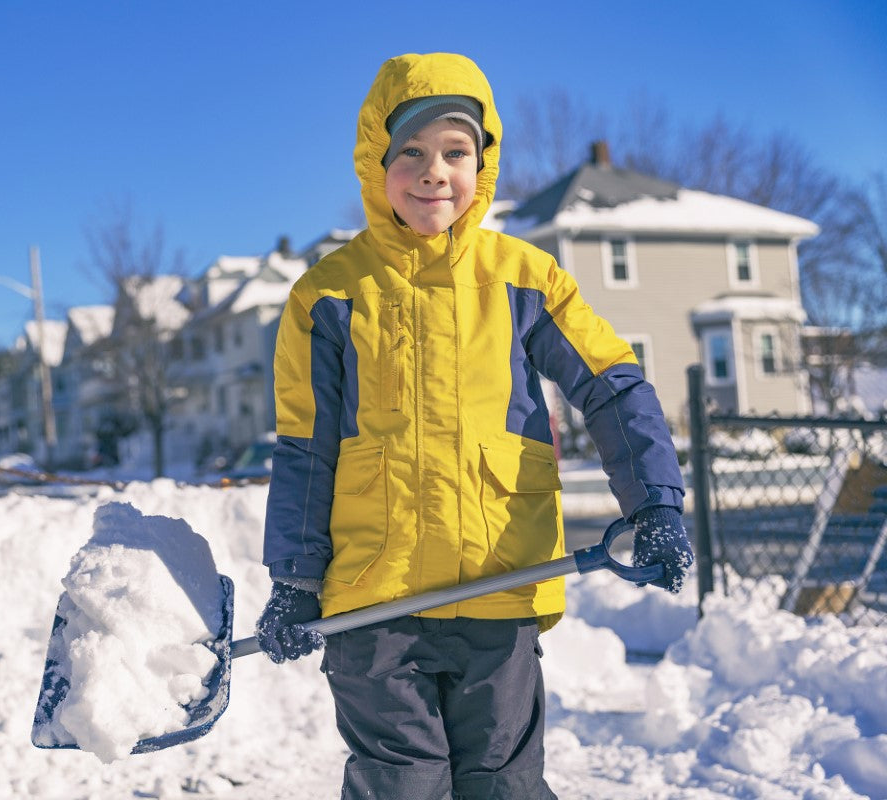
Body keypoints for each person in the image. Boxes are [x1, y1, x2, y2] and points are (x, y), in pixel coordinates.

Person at [255, 52, 694, 800]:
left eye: (456, 152)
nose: (435, 173)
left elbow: (613, 385)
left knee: (503, 783)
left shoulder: (524, 278)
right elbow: (306, 444)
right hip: (372, 604)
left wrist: (654, 501)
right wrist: (296, 578)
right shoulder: (328, 295)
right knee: (403, 786)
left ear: (482, 163)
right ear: (376, 163)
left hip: (500, 586)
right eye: (412, 154)